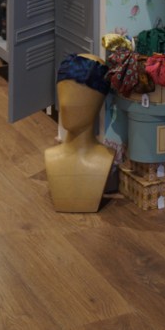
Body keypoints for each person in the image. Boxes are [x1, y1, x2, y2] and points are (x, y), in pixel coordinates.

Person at [45, 53, 114, 213]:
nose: (66, 105)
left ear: (99, 103)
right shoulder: (50, 156)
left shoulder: (107, 158)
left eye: (79, 98)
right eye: (63, 96)